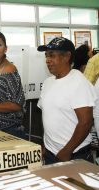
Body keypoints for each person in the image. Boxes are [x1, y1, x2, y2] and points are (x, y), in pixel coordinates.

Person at [37, 37, 96, 165]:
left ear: (67, 57)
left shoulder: (79, 82)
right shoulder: (48, 83)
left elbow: (86, 122)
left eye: (52, 55)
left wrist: (67, 151)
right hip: (51, 153)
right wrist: (44, 145)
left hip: (74, 154)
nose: (47, 60)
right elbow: (47, 118)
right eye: (46, 56)